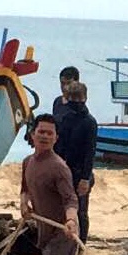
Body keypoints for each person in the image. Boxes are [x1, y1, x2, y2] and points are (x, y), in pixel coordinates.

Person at [20, 115, 84, 255]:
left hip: (62, 233)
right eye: (41, 132)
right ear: (32, 134)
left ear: (56, 138)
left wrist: (71, 221)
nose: (45, 136)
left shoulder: (59, 168)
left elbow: (71, 200)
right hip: (44, 231)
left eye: (50, 133)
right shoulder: (28, 162)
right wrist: (23, 202)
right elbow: (25, 187)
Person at [51, 66, 98, 242]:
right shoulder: (59, 105)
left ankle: (81, 243)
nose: (64, 88)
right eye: (62, 84)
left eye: (68, 85)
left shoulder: (89, 121)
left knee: (80, 210)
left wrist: (85, 177)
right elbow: (57, 136)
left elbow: (90, 151)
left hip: (79, 170)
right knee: (58, 206)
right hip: (62, 164)